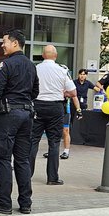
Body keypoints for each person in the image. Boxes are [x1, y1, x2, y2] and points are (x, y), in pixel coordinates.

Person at [0, 29, 39, 215]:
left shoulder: (5, 65)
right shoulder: (31, 65)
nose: (2, 45)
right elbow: (35, 91)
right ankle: (25, 203)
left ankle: (4, 202)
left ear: (15, 43)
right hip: (27, 115)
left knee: (3, 159)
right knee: (22, 160)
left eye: (4, 41)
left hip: (8, 116)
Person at [30, 45, 78, 186]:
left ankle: (27, 174)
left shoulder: (35, 69)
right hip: (55, 107)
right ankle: (52, 177)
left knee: (33, 141)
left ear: (43, 55)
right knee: (54, 142)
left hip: (37, 106)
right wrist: (63, 93)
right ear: (56, 56)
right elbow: (73, 92)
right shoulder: (62, 70)